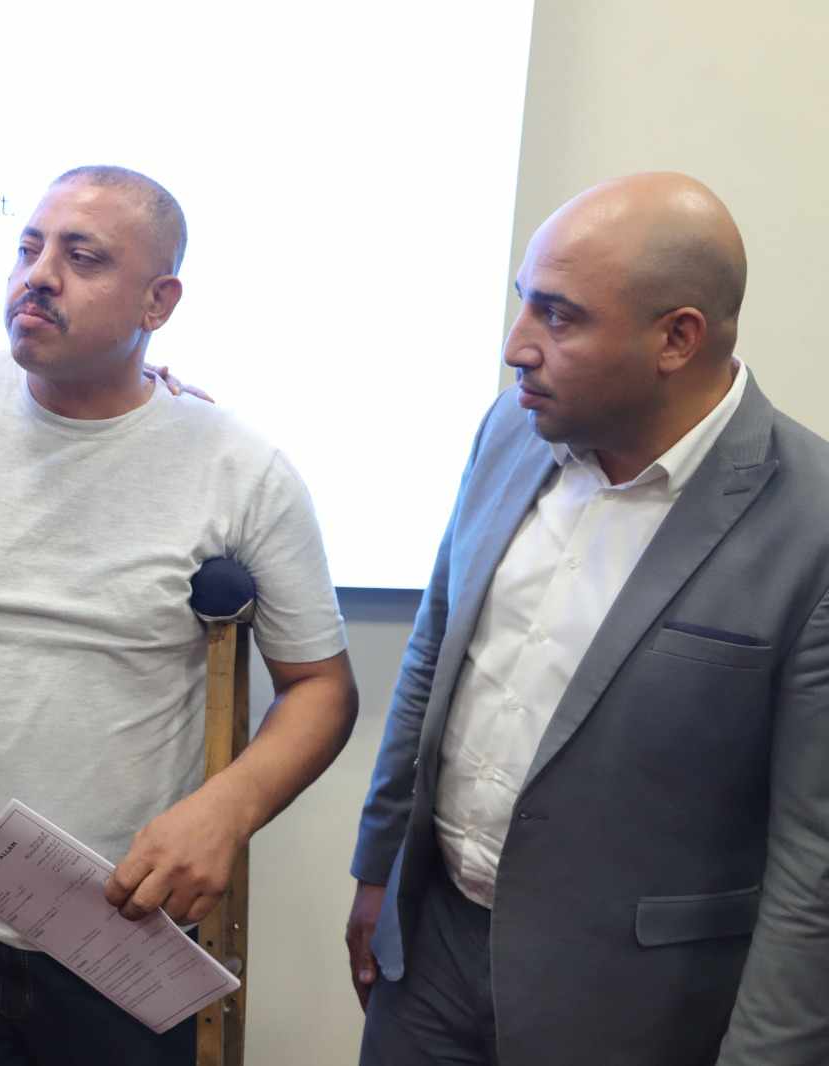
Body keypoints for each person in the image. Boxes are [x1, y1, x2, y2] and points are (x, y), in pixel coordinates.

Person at [0, 165, 360, 1065]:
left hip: (127, 927)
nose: (38, 276)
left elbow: (320, 687)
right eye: (29, 249)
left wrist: (228, 809)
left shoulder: (239, 468)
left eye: (82, 258)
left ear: (159, 302)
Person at [346, 172, 829, 1066]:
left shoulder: (812, 523)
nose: (516, 347)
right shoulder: (510, 429)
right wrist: (379, 868)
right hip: (432, 953)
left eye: (559, 317)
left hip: (633, 1009)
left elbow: (816, 858)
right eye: (524, 301)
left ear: (677, 338)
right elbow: (436, 650)